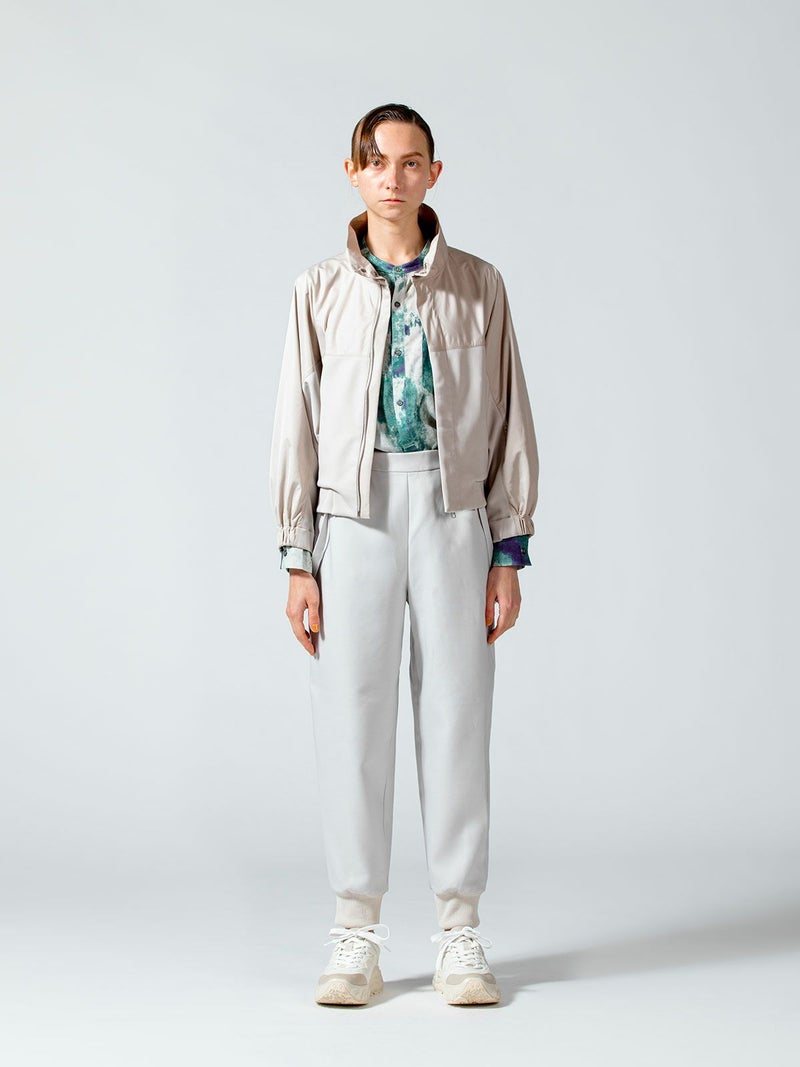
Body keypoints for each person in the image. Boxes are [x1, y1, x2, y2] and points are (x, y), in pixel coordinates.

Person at [269, 103, 539, 1007]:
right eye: (377, 161)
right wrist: (297, 556)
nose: (393, 176)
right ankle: (357, 931)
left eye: (411, 161)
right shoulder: (317, 290)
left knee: (458, 711)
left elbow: (510, 414)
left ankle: (460, 931)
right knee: (352, 713)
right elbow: (295, 425)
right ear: (353, 172)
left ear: (433, 173)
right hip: (355, 514)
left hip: (454, 509)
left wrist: (508, 547)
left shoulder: (478, 284)